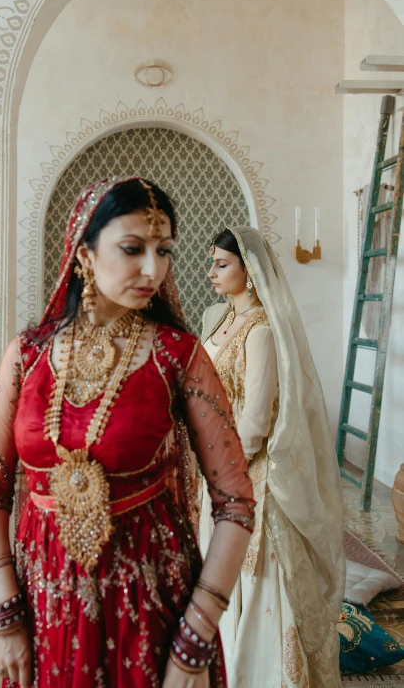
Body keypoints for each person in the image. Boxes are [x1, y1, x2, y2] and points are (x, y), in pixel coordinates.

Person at [0, 178, 255, 688]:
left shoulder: (178, 356)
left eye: (163, 250)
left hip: (151, 608)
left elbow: (234, 501)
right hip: (42, 607)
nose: (154, 269)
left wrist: (197, 636)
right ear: (84, 252)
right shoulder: (27, 356)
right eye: (133, 249)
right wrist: (5, 611)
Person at [201, 226, 345, 688]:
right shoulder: (220, 320)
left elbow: (256, 422)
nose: (212, 273)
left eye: (222, 264)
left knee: (257, 577)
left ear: (250, 268)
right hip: (213, 464)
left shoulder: (261, 331)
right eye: (213, 263)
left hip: (246, 475)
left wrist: (222, 470)